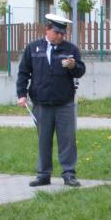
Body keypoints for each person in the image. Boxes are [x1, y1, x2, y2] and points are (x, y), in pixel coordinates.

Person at [17, 13, 86, 188]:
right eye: (57, 32)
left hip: (64, 103)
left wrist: (73, 66)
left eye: (63, 33)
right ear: (47, 30)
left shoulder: (70, 49)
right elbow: (24, 72)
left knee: (67, 140)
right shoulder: (33, 48)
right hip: (41, 103)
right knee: (44, 140)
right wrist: (21, 94)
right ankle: (43, 174)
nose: (60, 36)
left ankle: (69, 174)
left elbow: (80, 70)